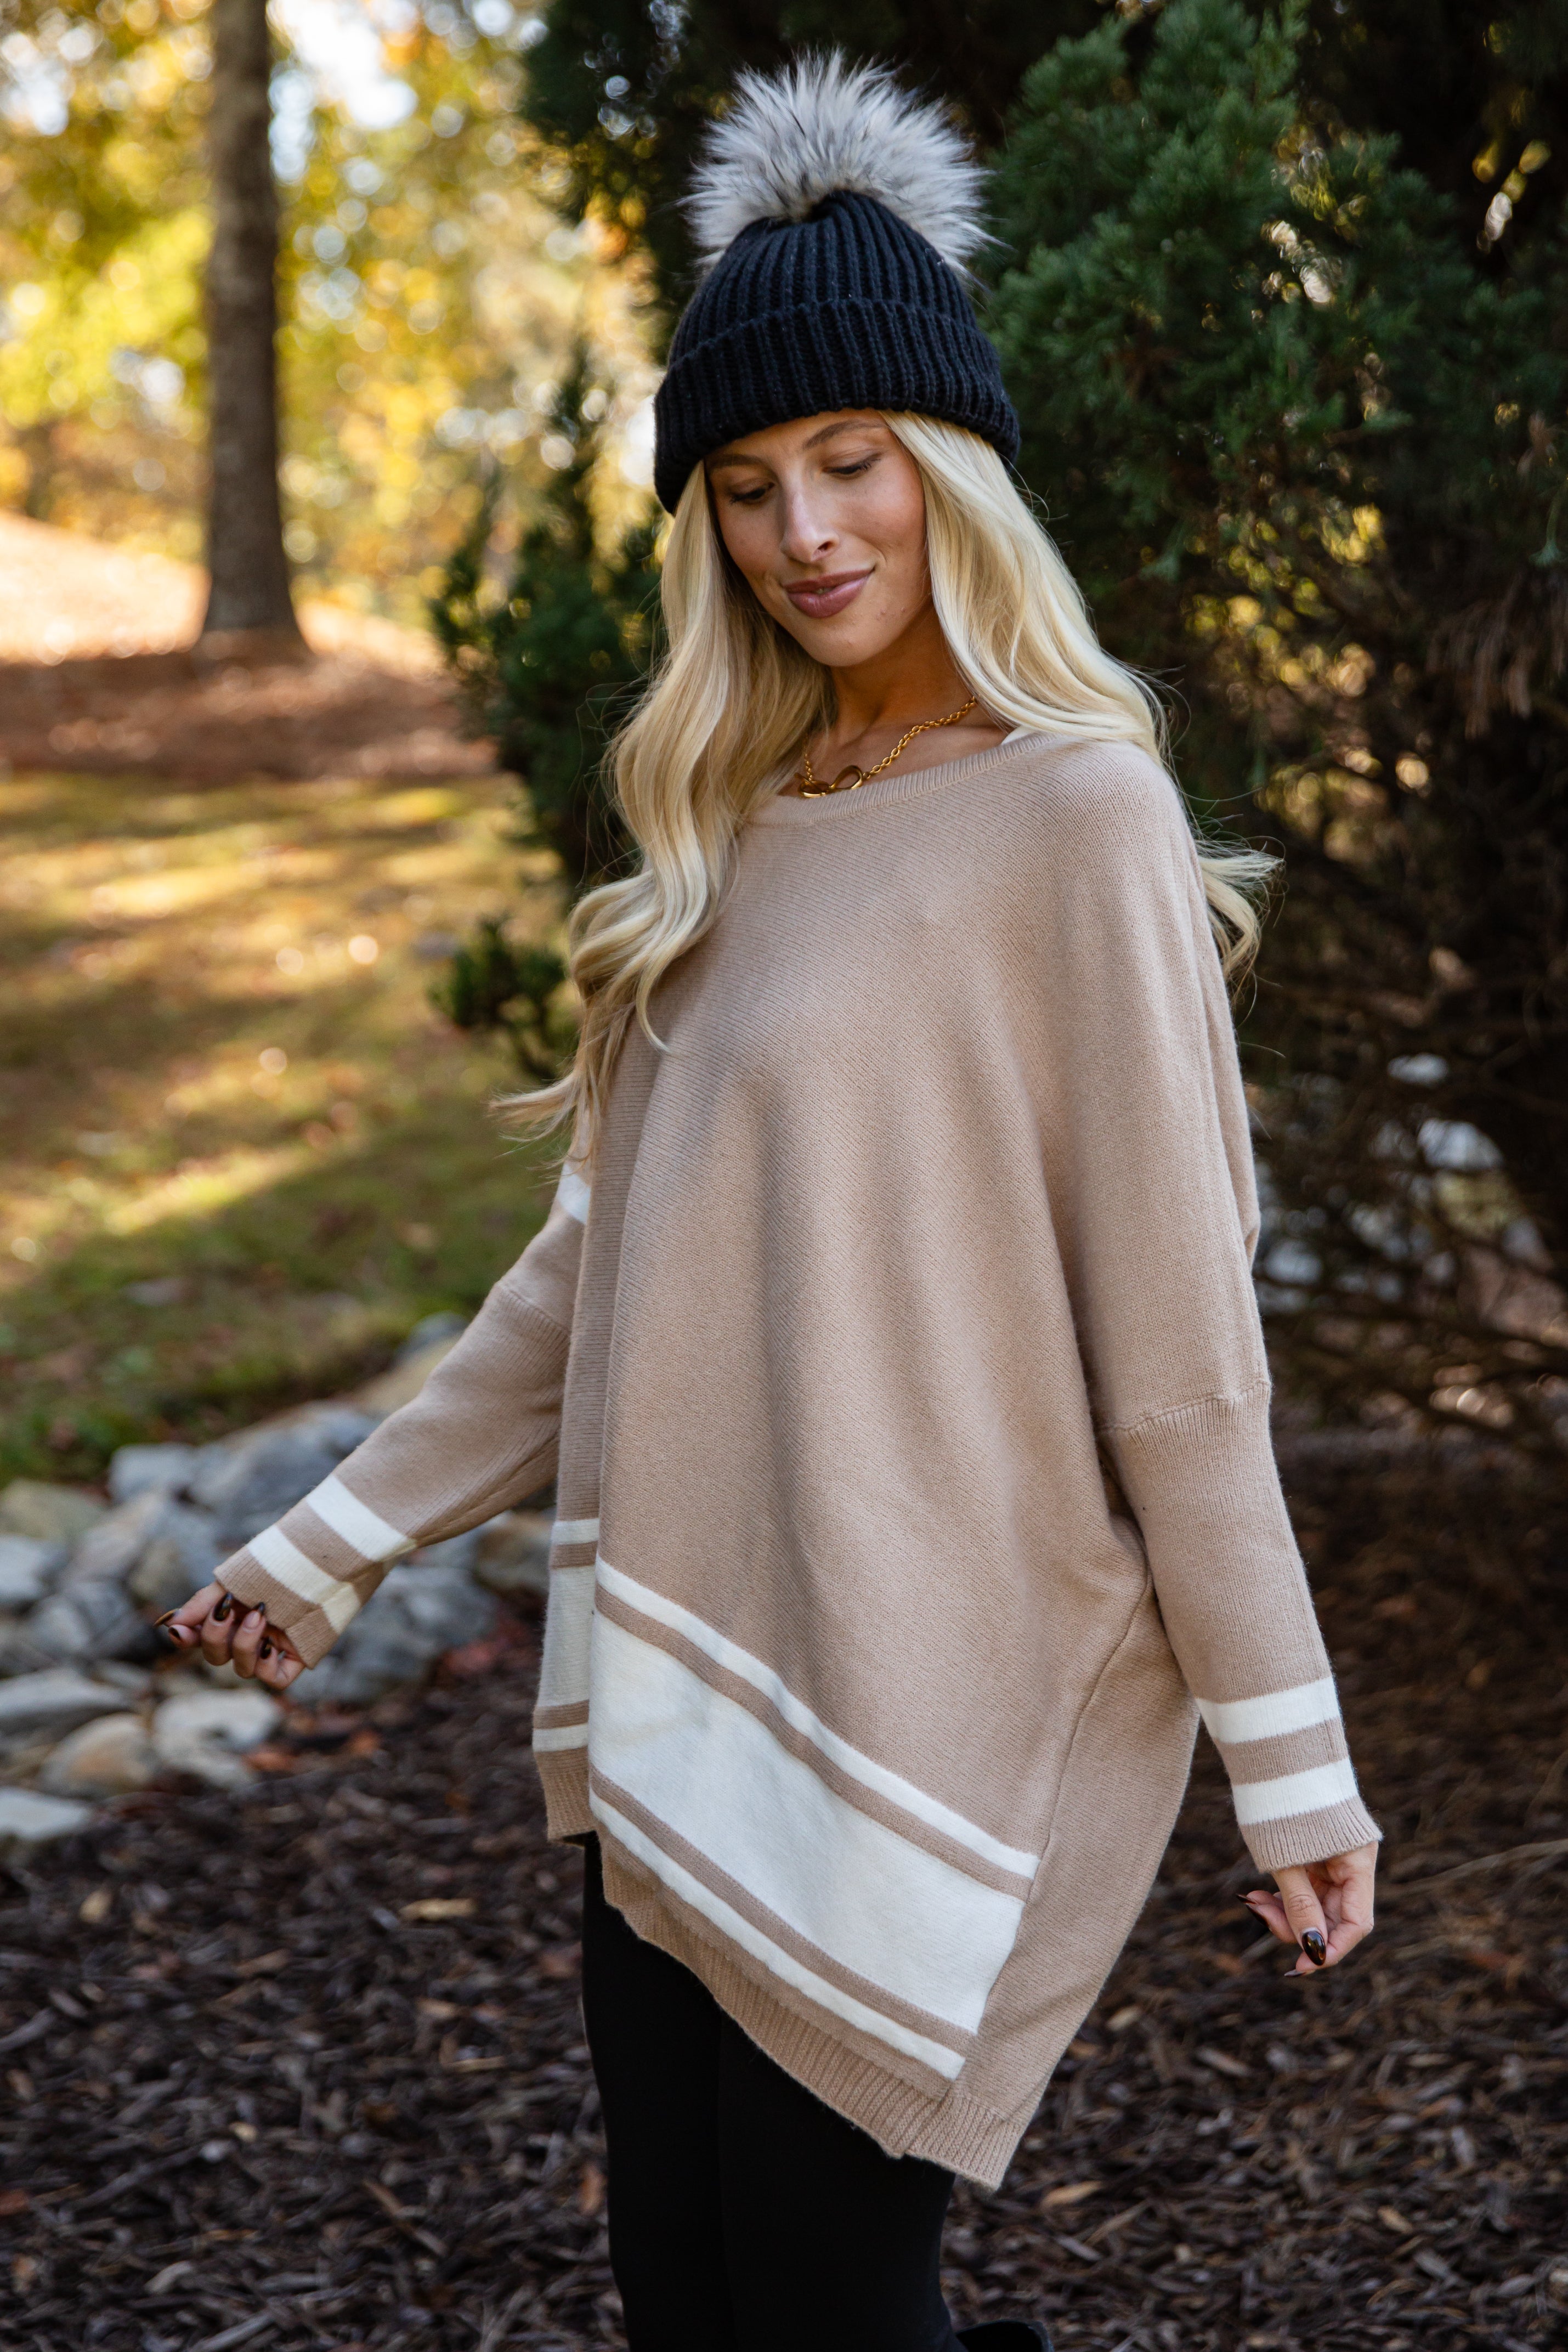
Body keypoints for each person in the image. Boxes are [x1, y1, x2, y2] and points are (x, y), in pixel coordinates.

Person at [168, 53, 1379, 2352]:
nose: (804, 530)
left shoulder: (1076, 818)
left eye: (851, 462)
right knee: (695, 2294)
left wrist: (1287, 1757)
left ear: (950, 468)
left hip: (926, 1690)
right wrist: (329, 1542)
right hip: (677, 1675)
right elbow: (597, 1273)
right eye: (744, 487)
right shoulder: (728, 831)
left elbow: (1180, 1353)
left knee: (829, 2301)